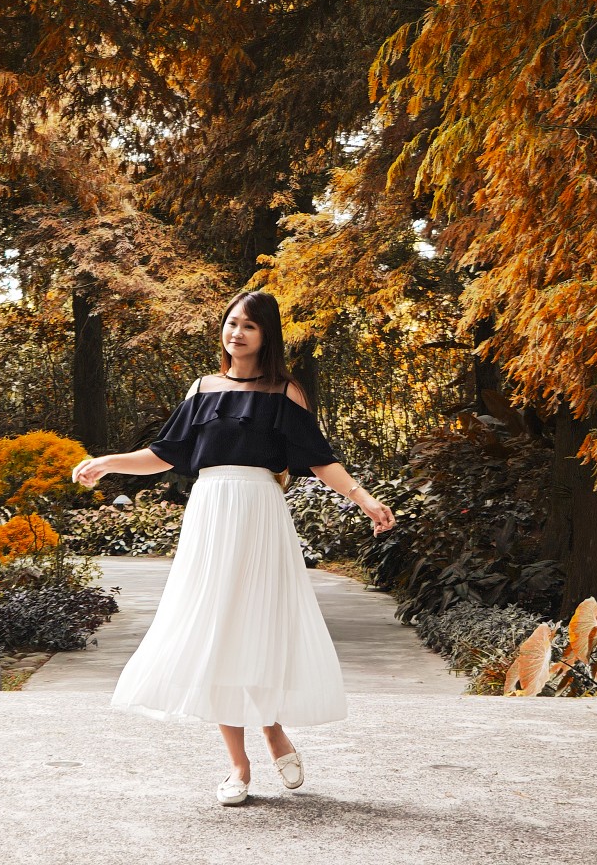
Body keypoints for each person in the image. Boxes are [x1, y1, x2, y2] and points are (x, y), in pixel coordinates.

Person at [70, 289, 395, 806]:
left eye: (249, 325)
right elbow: (164, 454)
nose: (236, 332)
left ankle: (271, 730)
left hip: (260, 513)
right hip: (210, 512)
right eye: (230, 322)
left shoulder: (286, 392)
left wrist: (365, 500)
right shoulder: (202, 389)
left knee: (259, 625)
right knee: (217, 630)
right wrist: (108, 461)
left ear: (267, 335)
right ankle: (238, 767)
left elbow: (319, 459)